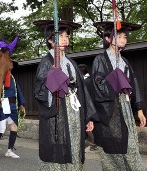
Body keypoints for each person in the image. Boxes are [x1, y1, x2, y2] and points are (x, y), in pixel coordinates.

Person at [33, 20, 97, 170]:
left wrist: (88, 116)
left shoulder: (71, 63)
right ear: (50, 40)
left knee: (74, 145)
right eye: (60, 36)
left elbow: (82, 91)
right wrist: (52, 81)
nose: (65, 39)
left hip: (74, 111)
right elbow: (39, 92)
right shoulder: (46, 63)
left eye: (66, 36)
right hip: (57, 114)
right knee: (58, 152)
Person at [91, 21, 146, 171]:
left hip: (125, 106)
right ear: (108, 38)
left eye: (125, 37)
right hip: (110, 110)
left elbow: (134, 83)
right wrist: (115, 81)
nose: (123, 40)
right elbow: (97, 85)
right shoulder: (100, 60)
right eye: (119, 36)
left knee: (130, 147)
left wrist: (139, 109)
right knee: (113, 152)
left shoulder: (125, 62)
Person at [0, 74, 26, 158]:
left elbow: (18, 92)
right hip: (3, 104)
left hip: (13, 105)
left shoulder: (13, 78)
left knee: (14, 127)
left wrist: (21, 105)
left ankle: (10, 151)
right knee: (2, 127)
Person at [78, 64, 99, 152]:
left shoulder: (86, 81)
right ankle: (92, 144)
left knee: (88, 125)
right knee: (90, 125)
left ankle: (92, 145)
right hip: (94, 105)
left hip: (88, 105)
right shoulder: (91, 79)